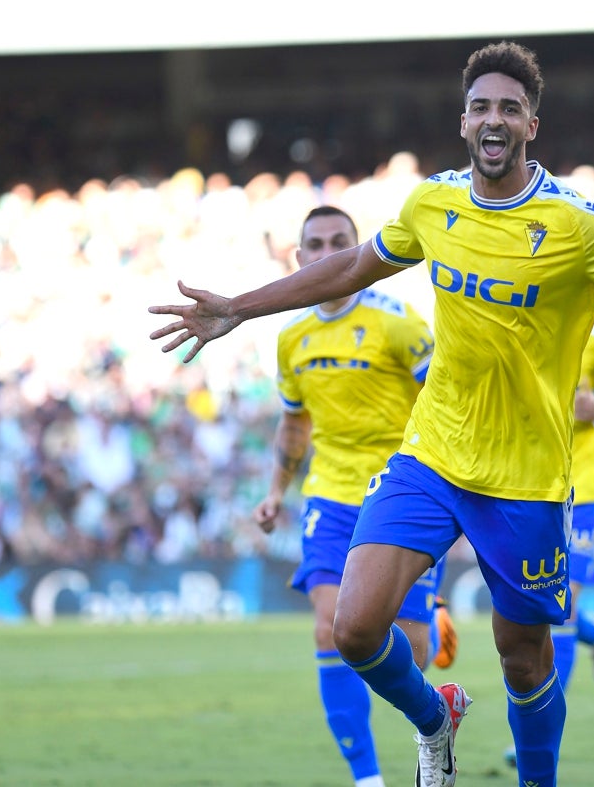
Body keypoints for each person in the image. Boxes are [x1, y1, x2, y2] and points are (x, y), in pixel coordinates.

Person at [150, 40, 594, 787]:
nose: (494, 120)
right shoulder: (434, 203)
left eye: (510, 108)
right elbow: (350, 267)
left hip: (526, 478)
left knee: (523, 659)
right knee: (354, 627)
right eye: (482, 107)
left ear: (533, 123)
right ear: (463, 122)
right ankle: (436, 720)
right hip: (432, 454)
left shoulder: (580, 225)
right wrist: (238, 307)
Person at [251, 205, 455, 787]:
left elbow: (443, 401)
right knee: (328, 629)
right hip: (330, 498)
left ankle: (430, 634)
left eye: (340, 241)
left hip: (401, 495)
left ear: (358, 248)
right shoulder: (292, 338)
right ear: (299, 258)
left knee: (411, 657)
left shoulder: (399, 323)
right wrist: (275, 492)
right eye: (314, 243)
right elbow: (294, 426)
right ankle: (367, 779)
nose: (327, 252)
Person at [503, 329, 594, 770]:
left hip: (584, 491)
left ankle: (542, 729)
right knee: (541, 608)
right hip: (532, 488)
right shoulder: (514, 334)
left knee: (563, 605)